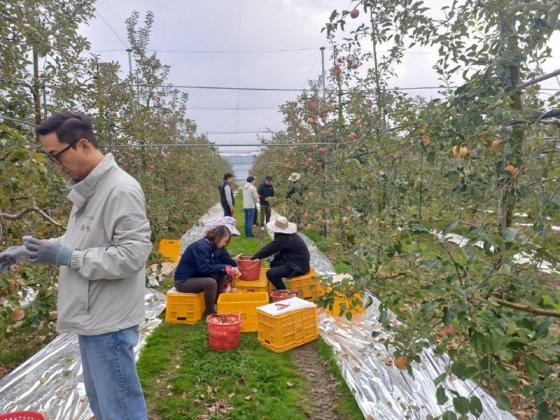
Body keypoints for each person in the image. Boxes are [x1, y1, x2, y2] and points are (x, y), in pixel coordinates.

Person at [0, 112, 153, 419]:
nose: (56, 167)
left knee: (120, 410)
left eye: (56, 156)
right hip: (93, 316)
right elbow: (82, 240)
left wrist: (66, 257)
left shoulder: (119, 189)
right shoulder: (92, 189)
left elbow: (133, 255)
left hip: (108, 321)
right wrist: (26, 251)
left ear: (82, 145)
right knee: (104, 405)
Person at [174, 226, 240, 314]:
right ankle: (211, 313)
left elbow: (214, 264)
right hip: (183, 281)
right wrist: (224, 267)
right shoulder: (201, 247)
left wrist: (228, 268)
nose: (224, 244)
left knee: (221, 273)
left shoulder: (210, 246)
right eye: (224, 241)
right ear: (218, 238)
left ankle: (217, 303)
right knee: (210, 283)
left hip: (194, 276)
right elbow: (204, 268)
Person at [252, 216, 310, 290]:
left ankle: (283, 292)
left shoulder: (284, 239)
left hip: (298, 267)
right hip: (298, 262)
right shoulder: (290, 236)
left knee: (271, 274)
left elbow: (268, 250)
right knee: (274, 263)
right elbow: (274, 248)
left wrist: (253, 258)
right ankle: (278, 282)